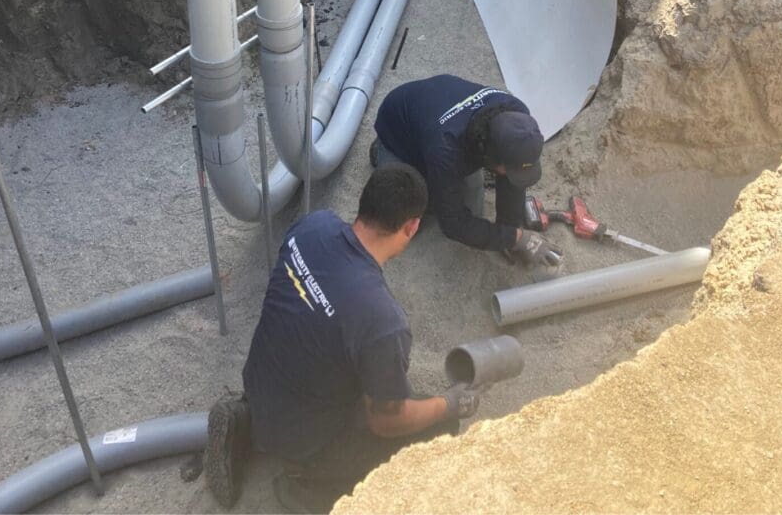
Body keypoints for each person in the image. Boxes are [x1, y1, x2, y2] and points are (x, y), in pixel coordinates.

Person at [205, 164, 482, 513]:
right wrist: (449, 404)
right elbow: (387, 422)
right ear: (412, 226)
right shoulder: (383, 321)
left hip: (260, 386)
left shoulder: (313, 226)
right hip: (303, 440)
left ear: (364, 203)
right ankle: (310, 487)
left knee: (340, 358)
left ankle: (244, 419)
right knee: (435, 428)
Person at [371, 74, 562, 270]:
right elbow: (453, 225)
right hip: (399, 131)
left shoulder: (519, 116)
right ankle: (381, 152)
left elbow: (511, 177)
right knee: (404, 224)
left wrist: (510, 229)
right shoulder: (446, 148)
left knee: (474, 211)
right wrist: (515, 239)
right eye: (508, 168)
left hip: (437, 120)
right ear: (488, 154)